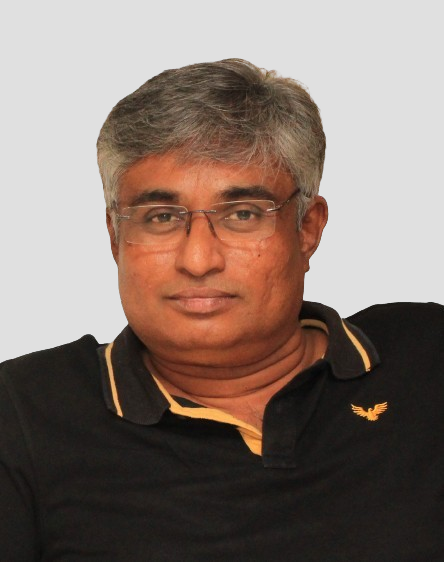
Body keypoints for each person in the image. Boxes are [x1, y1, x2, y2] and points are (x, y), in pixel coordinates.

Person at [1, 59, 443, 561]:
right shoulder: (24, 413)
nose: (198, 259)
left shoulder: (427, 358)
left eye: (242, 214)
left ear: (307, 228)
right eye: (161, 217)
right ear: (115, 237)